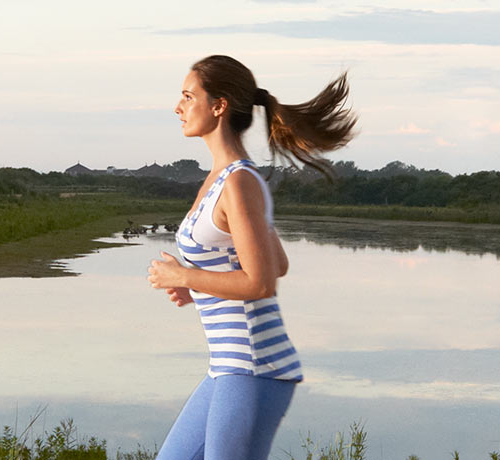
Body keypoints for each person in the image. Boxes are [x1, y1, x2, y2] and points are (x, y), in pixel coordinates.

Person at [147, 55, 356, 460]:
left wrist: (184, 277)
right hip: (228, 367)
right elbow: (277, 262)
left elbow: (261, 282)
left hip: (254, 365)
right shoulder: (222, 178)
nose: (178, 107)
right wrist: (200, 288)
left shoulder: (239, 182)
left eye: (188, 96)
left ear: (219, 106)